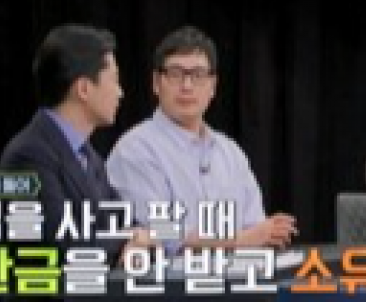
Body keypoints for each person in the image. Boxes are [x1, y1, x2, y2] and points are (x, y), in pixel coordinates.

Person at [107, 26, 297, 255]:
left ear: (213, 86)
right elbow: (157, 234)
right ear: (156, 83)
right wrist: (243, 239)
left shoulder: (231, 153)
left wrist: (268, 233)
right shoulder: (135, 149)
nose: (187, 86)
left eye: (197, 75)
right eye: (176, 74)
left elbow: (255, 228)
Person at [0, 24, 152, 265]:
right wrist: (127, 240)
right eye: (114, 80)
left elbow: (124, 219)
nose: (120, 93)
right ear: (84, 89)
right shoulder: (26, 156)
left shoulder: (88, 156)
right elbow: (58, 243)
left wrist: (138, 238)